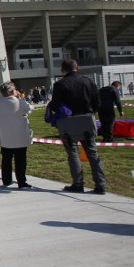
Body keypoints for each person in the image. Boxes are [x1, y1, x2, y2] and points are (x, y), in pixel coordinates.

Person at [48, 59, 107, 194]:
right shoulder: (88, 81)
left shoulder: (60, 84)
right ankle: (100, 184)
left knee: (72, 153)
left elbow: (55, 105)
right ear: (77, 68)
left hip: (68, 121)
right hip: (87, 118)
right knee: (92, 153)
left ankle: (78, 183)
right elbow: (97, 101)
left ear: (63, 70)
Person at [0, 82, 33, 189]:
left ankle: (6, 180)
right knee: (20, 159)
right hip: (19, 135)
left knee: (6, 158)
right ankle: (21, 181)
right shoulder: (18, 101)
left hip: (5, 135)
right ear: (12, 91)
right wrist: (20, 98)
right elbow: (29, 109)